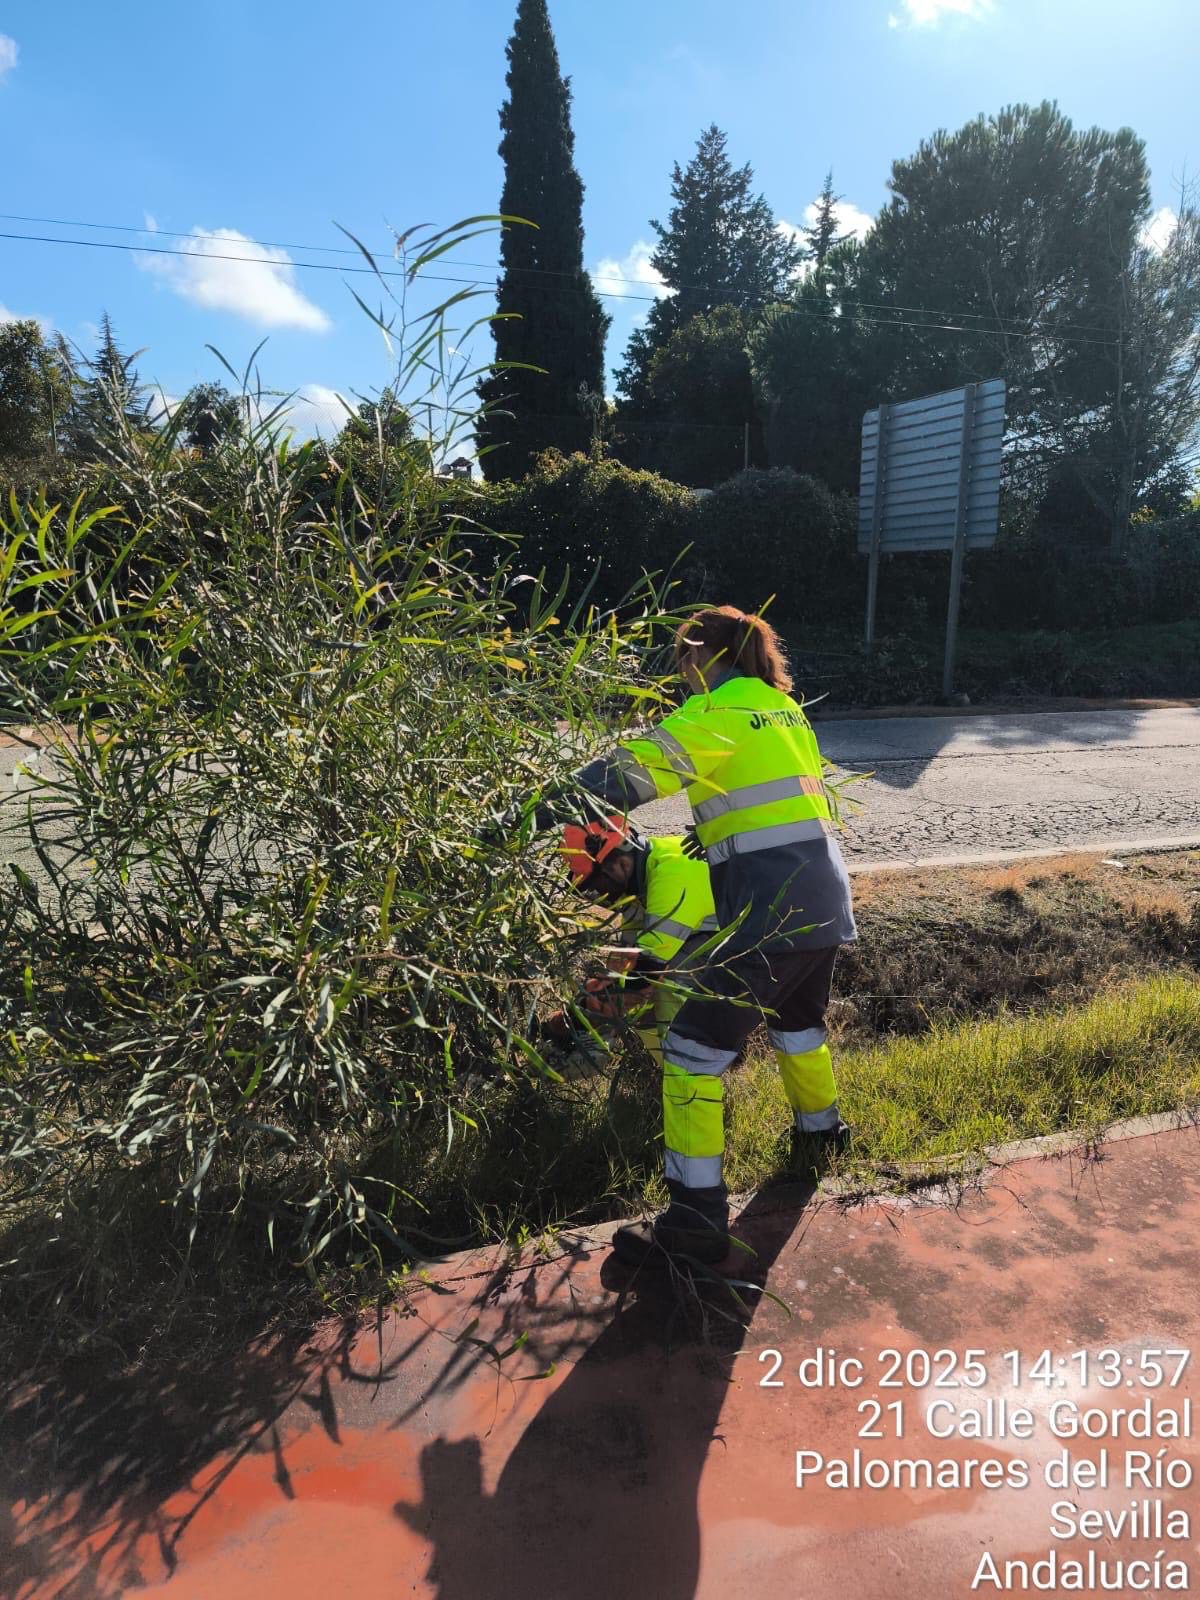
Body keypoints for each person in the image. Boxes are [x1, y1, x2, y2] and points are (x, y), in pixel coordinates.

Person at [567, 605, 857, 1267]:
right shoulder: (783, 709)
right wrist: (712, 828)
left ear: (699, 656)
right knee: (798, 1027)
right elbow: (775, 793)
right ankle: (822, 1137)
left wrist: (529, 807)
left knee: (691, 1050)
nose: (681, 675)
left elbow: (626, 775)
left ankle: (695, 1218)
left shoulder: (715, 710)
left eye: (681, 660)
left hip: (769, 907)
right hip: (823, 896)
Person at [546, 817, 718, 1067]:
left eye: (597, 884)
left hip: (763, 948)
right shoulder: (641, 880)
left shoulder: (672, 877)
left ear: (620, 862)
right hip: (726, 940)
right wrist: (581, 1010)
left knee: (669, 982)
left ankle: (692, 1070)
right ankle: (669, 1071)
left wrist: (574, 1021)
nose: (599, 896)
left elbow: (643, 975)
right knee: (641, 999)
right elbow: (623, 968)